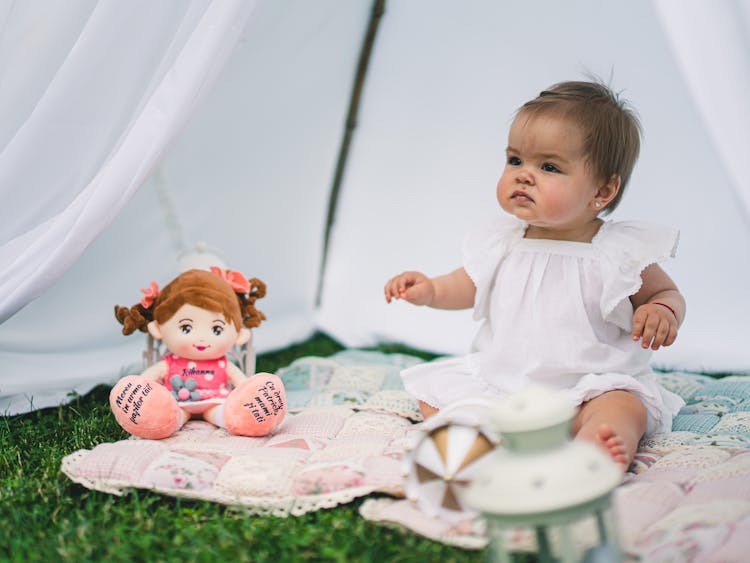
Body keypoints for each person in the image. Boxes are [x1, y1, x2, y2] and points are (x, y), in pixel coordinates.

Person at [383, 80, 686, 470]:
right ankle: (479, 436)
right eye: (515, 161)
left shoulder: (617, 251)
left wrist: (662, 309)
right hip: (507, 385)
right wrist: (430, 290)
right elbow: (468, 284)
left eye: (548, 166)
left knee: (623, 406)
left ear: (603, 189)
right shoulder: (502, 242)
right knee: (440, 395)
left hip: (590, 385)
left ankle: (599, 445)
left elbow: (665, 292)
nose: (524, 176)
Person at [110, 267, 286, 440]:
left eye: (217, 329)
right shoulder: (170, 363)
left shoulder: (224, 364)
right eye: (186, 328)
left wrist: (251, 392)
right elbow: (147, 380)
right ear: (158, 328)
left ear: (239, 335)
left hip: (216, 401)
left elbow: (243, 385)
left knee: (227, 414)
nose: (201, 338)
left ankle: (247, 417)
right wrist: (141, 388)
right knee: (169, 416)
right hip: (177, 403)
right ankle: (155, 420)